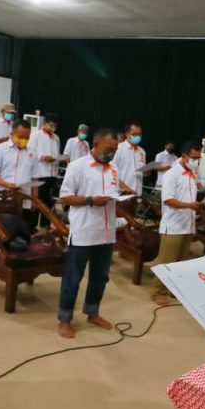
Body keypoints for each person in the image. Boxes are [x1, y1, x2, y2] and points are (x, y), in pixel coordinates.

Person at [57, 128, 120, 339]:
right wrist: (90, 200)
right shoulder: (77, 166)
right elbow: (65, 197)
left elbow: (113, 194)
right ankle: (65, 319)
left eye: (115, 150)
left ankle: (93, 313)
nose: (111, 153)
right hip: (84, 231)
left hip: (107, 232)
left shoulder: (114, 169)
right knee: (73, 278)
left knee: (100, 277)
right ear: (96, 143)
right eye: (108, 149)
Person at [152, 141, 204, 305]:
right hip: (173, 225)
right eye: (194, 158)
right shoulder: (171, 174)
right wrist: (189, 205)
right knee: (166, 260)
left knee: (181, 262)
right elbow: (168, 200)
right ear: (184, 156)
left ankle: (174, 289)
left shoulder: (193, 173)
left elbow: (190, 194)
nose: (196, 161)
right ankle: (158, 291)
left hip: (187, 223)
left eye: (199, 158)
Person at [0, 118, 37, 217]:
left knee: (23, 225)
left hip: (25, 199)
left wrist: (35, 199)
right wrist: (7, 185)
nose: (23, 140)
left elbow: (34, 178)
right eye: (20, 137)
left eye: (26, 137)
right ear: (12, 134)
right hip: (3, 198)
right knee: (3, 224)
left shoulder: (32, 152)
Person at [28, 113, 61, 226]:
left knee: (48, 200)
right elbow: (30, 153)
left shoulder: (56, 138)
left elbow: (57, 154)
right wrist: (42, 158)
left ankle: (45, 224)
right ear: (45, 123)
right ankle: (32, 226)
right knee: (37, 199)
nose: (53, 127)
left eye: (55, 126)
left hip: (52, 173)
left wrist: (55, 159)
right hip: (39, 172)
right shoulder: (35, 135)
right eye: (51, 125)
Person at [113, 122, 146, 195]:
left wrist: (147, 172)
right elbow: (110, 173)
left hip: (137, 194)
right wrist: (126, 189)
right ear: (127, 134)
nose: (137, 137)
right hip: (122, 193)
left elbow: (142, 173)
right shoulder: (118, 148)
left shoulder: (142, 151)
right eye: (134, 134)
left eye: (139, 134)